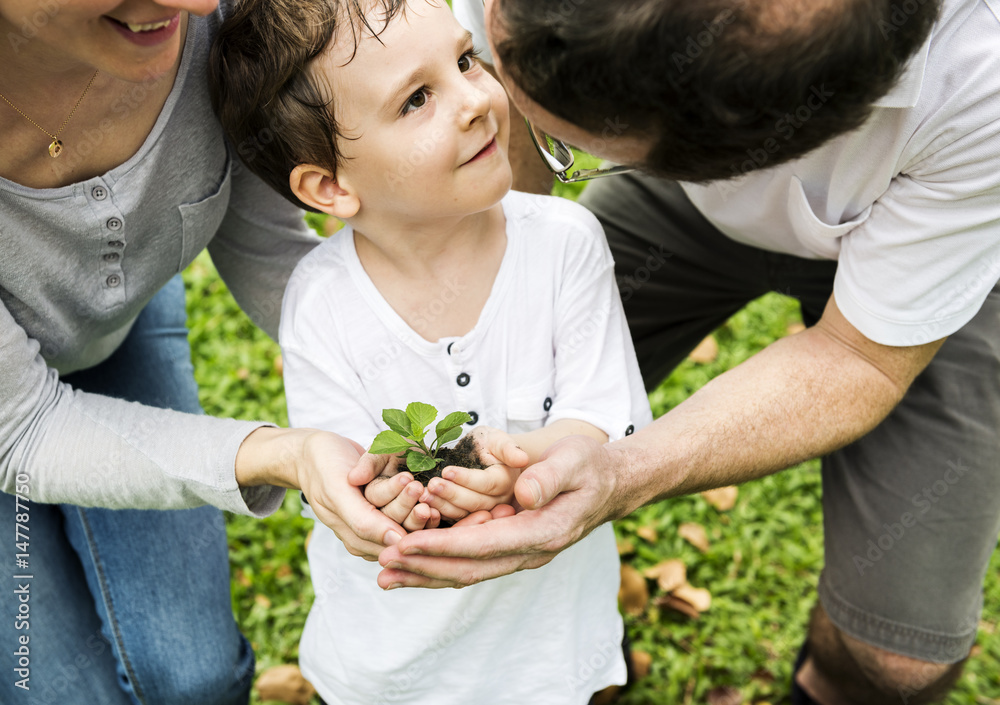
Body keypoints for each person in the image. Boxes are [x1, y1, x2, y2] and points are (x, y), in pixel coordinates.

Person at [364, 0, 1000, 703]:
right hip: (681, 183)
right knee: (475, 443)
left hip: (944, 224)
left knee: (895, 660)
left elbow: (859, 357)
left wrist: (620, 471)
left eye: (563, 146)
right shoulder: (525, 15)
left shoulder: (981, 74)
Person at [209, 1, 652, 703]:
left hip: (549, 648)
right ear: (330, 186)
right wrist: (392, 496)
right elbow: (349, 475)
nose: (476, 101)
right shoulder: (321, 302)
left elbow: (602, 416)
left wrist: (529, 467)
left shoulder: (566, 243)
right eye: (417, 98)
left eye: (466, 60)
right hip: (394, 664)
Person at [0, 0, 412, 700]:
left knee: (198, 679)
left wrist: (408, 389)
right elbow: (26, 428)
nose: (194, 4)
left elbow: (268, 247)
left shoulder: (214, 26)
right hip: (19, 415)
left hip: (109, 336)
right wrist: (283, 452)